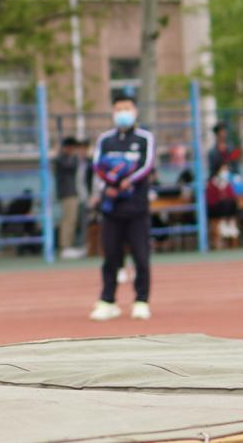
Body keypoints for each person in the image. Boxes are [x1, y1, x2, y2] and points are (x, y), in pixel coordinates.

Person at [89, 95, 156, 322]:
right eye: (118, 109)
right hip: (112, 209)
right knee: (111, 256)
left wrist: (128, 182)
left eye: (126, 108)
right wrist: (107, 187)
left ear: (135, 111)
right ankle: (108, 301)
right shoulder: (105, 140)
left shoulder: (145, 138)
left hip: (136, 208)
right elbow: (97, 167)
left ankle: (141, 300)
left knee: (141, 257)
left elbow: (146, 166)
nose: (122, 112)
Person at [54, 137, 87, 259]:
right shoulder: (62, 159)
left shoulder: (68, 158)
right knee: (68, 221)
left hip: (73, 193)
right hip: (67, 194)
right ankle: (65, 247)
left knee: (72, 221)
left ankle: (69, 245)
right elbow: (71, 166)